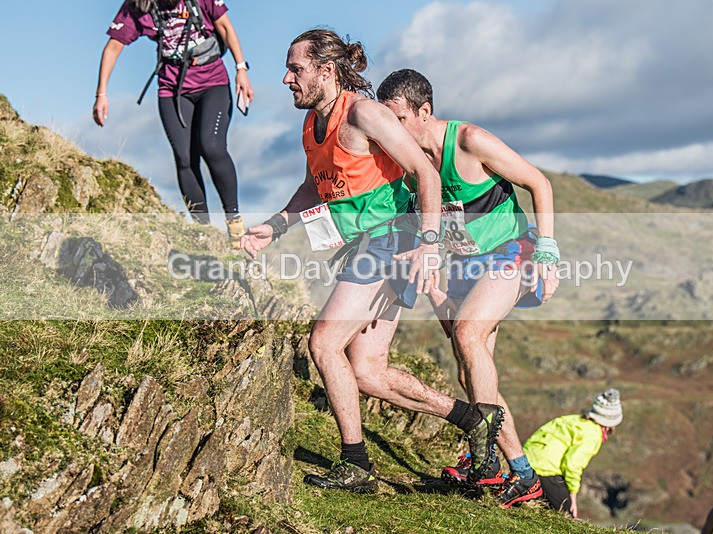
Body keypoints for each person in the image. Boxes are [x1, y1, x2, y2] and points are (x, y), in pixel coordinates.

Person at [241, 29, 504, 493]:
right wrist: (277, 225)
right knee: (367, 371)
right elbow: (312, 188)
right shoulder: (311, 126)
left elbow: (425, 171)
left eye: (295, 68)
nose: (285, 79)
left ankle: (356, 465)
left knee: (323, 343)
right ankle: (474, 419)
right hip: (362, 246)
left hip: (392, 241)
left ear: (326, 71)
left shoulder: (364, 113)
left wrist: (427, 243)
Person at [376, 69, 559, 506]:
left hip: (510, 251)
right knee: (469, 366)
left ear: (424, 111)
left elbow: (540, 182)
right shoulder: (406, 164)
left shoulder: (469, 141)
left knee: (468, 334)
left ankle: (483, 461)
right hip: (461, 265)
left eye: (397, 119)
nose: (390, 131)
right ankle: (522, 475)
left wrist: (548, 253)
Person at [93, 0, 254, 248]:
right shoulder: (140, 5)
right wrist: (101, 94)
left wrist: (241, 69)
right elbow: (114, 46)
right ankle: (204, 233)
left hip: (213, 82)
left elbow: (224, 26)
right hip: (171, 88)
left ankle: (233, 220)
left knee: (211, 146)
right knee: (184, 157)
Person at [521, 388, 623, 517]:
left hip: (524, 462)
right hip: (545, 470)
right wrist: (572, 497)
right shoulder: (593, 433)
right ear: (610, 424)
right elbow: (572, 465)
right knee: (565, 515)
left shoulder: (573, 420)